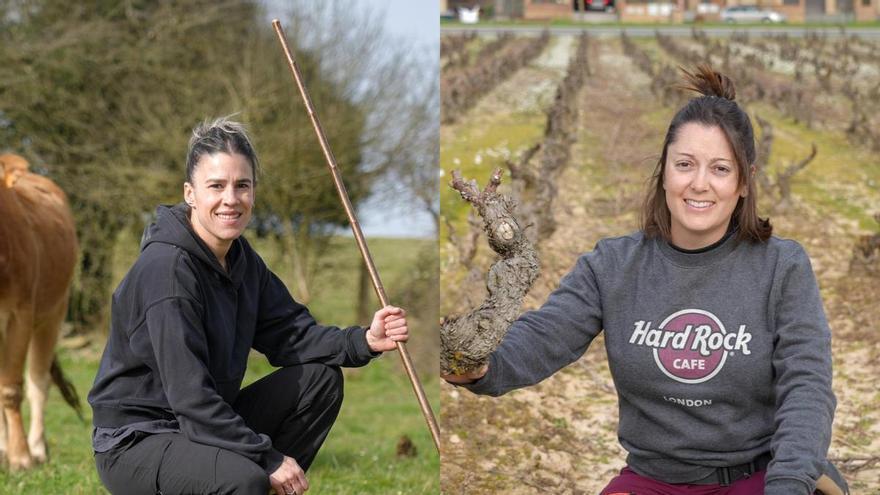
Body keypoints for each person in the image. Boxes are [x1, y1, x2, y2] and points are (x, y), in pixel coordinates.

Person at [443, 66, 848, 495]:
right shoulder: (613, 265)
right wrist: (482, 363)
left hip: (756, 478)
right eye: (685, 164)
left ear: (745, 182)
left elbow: (807, 387)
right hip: (652, 480)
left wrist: (788, 483)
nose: (699, 184)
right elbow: (545, 335)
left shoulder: (781, 267)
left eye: (720, 169)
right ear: (664, 171)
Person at [88, 118, 409, 495]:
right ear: (190, 193)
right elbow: (190, 398)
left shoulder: (241, 260)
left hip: (196, 426)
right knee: (245, 478)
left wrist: (365, 341)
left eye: (243, 185)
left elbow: (291, 335)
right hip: (137, 440)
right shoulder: (167, 272)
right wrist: (267, 457)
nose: (231, 199)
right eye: (216, 186)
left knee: (319, 381)